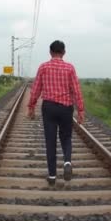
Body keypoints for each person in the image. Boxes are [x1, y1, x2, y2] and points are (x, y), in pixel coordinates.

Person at [27, 40, 84, 186]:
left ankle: (52, 176)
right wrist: (81, 110)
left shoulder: (44, 67)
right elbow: (76, 90)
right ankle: (67, 162)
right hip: (66, 108)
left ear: (50, 52)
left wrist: (31, 106)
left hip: (49, 107)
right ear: (64, 52)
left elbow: (36, 88)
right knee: (66, 137)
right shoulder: (70, 68)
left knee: (50, 141)